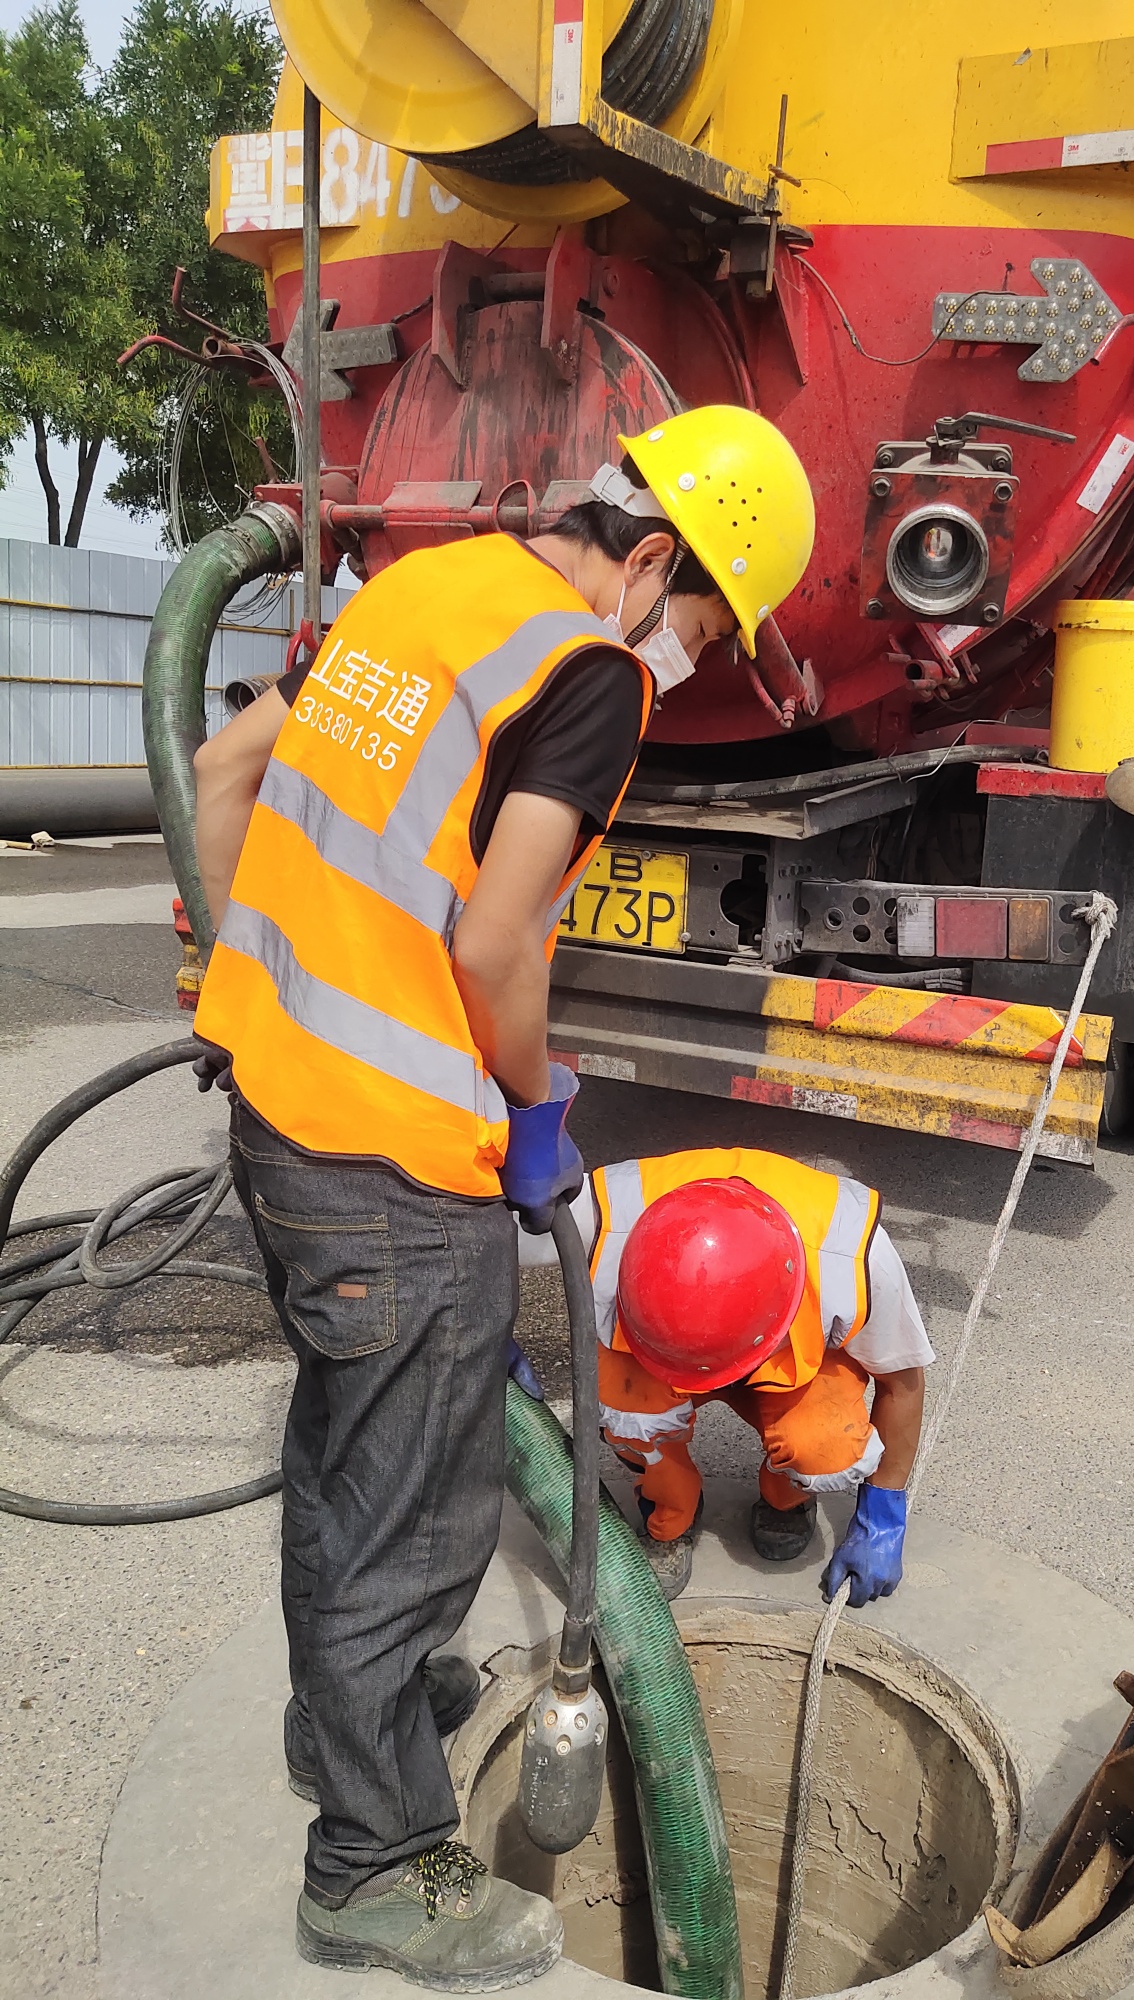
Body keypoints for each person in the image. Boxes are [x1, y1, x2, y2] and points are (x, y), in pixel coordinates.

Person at [189, 408, 815, 1991]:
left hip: (277, 1109)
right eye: (706, 626)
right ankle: (377, 1865)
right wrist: (538, 1099)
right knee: (422, 1508)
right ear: (655, 558)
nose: (690, 659)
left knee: (348, 1456)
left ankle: (346, 1714)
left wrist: (225, 974)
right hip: (394, 1159)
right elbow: (493, 944)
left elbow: (227, 765)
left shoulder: (426, 590)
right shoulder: (585, 673)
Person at [568, 1147, 932, 1602]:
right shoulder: (603, 1216)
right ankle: (670, 1506)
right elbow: (490, 1232)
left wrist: (883, 1517)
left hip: (794, 1360)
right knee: (617, 1401)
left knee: (824, 1443)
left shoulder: (854, 1257)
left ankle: (788, 1499)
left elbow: (902, 1382)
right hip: (655, 1349)